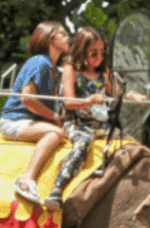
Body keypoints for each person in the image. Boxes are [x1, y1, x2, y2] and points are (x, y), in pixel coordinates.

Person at [0, 21, 71, 205]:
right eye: (63, 34)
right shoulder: (40, 62)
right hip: (15, 120)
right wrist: (54, 118)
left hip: (30, 121)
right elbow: (28, 99)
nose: (68, 37)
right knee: (56, 133)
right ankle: (27, 180)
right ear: (51, 38)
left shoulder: (52, 68)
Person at [44, 26, 114, 209]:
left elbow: (114, 93)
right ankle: (57, 189)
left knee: (125, 141)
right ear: (82, 52)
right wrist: (89, 101)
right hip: (76, 122)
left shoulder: (103, 71)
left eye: (102, 53)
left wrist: (130, 96)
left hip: (100, 123)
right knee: (83, 142)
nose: (98, 58)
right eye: (93, 54)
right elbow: (68, 102)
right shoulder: (71, 68)